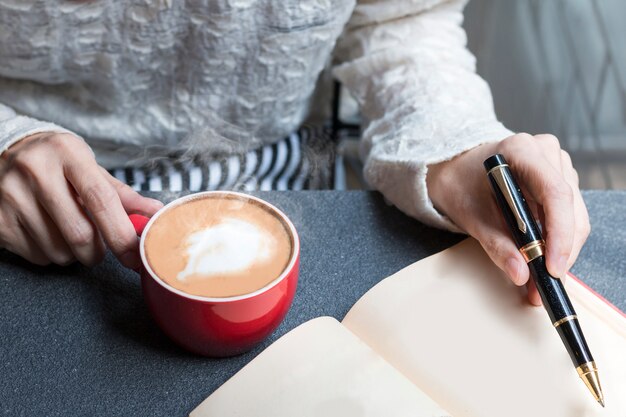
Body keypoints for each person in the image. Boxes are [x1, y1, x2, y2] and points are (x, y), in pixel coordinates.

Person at [0, 0, 588, 306]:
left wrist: (457, 150)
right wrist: (9, 139)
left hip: (290, 172)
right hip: (38, 207)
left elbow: (400, 23)